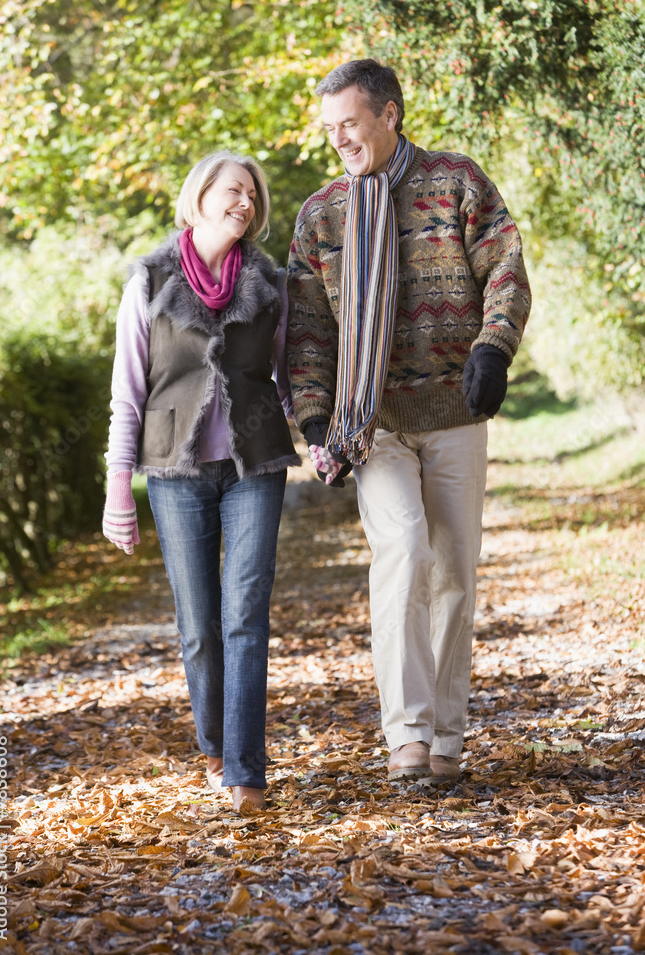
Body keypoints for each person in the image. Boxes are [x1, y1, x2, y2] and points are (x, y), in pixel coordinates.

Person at [287, 59, 531, 785]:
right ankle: (408, 738)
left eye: (350, 124)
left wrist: (493, 347)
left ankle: (448, 739)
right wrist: (312, 423)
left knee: (454, 571)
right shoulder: (322, 213)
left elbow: (506, 267)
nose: (340, 139)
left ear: (389, 114)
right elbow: (304, 331)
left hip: (456, 409)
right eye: (329, 129)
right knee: (402, 551)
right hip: (372, 424)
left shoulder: (456, 181)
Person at [102, 150, 300, 813]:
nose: (244, 202)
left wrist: (324, 435)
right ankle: (213, 741)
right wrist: (116, 490)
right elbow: (128, 394)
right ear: (200, 196)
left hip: (255, 466)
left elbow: (287, 377)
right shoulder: (150, 279)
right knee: (198, 624)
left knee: (245, 613)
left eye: (251, 194)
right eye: (232, 191)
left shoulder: (268, 283)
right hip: (174, 472)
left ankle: (245, 770)